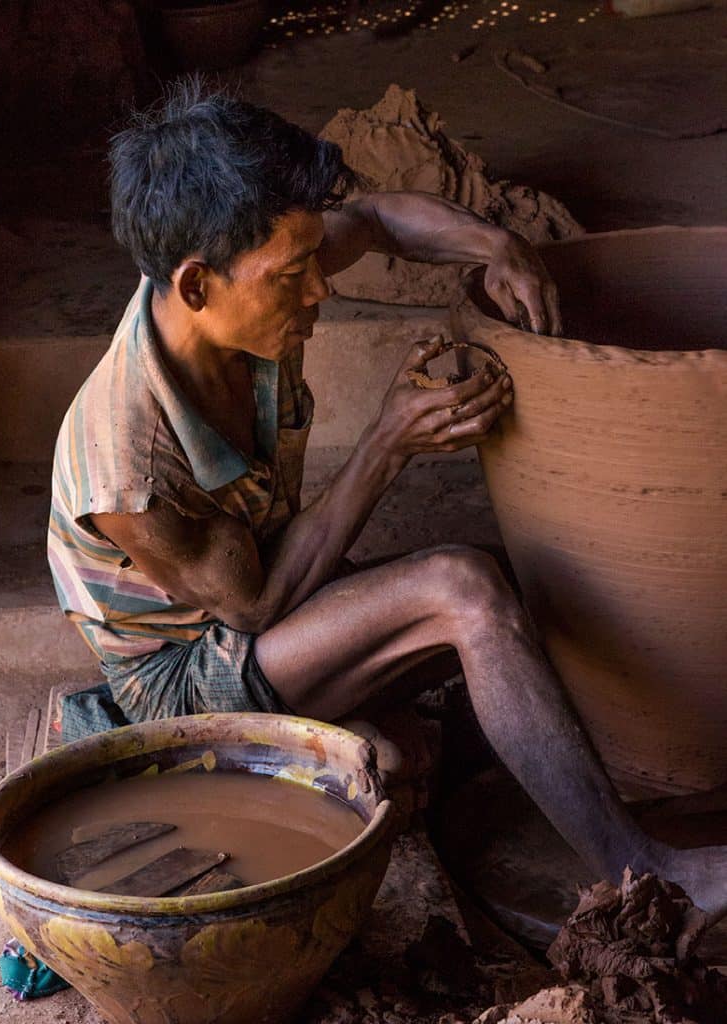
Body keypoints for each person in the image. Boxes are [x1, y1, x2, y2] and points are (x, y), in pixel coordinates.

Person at [48, 80, 726, 921]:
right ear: (195, 286)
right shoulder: (125, 465)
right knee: (461, 587)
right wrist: (385, 443)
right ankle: (644, 869)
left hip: (264, 598)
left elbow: (373, 221)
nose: (318, 292)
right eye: (294, 276)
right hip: (186, 678)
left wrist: (493, 244)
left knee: (538, 590)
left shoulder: (243, 270)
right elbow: (254, 605)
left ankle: (432, 745)